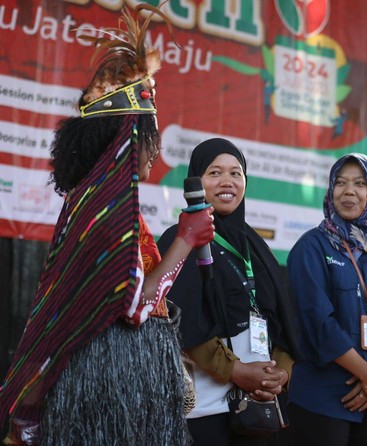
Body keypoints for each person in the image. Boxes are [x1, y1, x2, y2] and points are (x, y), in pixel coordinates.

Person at [0, 5, 215, 445]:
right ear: (125, 140)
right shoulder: (104, 211)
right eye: (148, 139)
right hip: (110, 382)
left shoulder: (90, 206)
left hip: (118, 377)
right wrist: (187, 240)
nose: (153, 155)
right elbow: (135, 307)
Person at [156, 137, 300, 446]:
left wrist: (280, 374)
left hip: (259, 403)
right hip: (205, 409)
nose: (227, 181)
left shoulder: (256, 246)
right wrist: (236, 370)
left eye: (236, 173)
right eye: (215, 173)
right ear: (197, 181)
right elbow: (181, 321)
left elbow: (282, 318)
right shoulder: (179, 240)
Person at [286, 153, 367, 446]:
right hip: (326, 398)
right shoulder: (311, 247)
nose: (349, 191)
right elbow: (318, 322)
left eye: (360, 183)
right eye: (341, 183)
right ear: (330, 189)